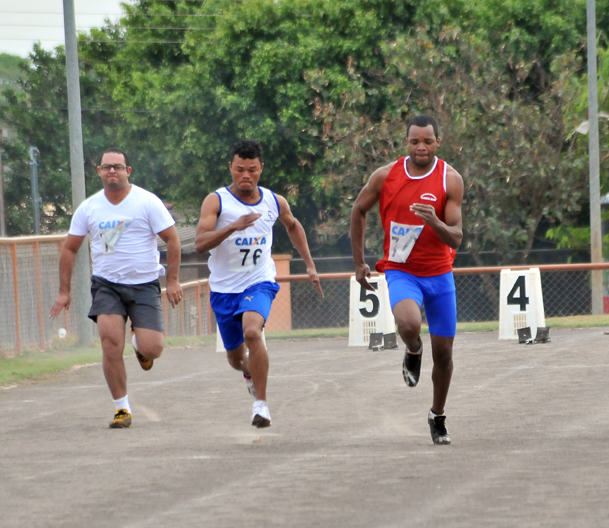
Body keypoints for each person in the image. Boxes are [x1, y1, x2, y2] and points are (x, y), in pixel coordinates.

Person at [350, 115, 464, 445]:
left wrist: (434, 222)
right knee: (410, 324)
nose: (421, 147)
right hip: (402, 271)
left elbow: (456, 237)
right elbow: (358, 210)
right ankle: (413, 350)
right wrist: (359, 262)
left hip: (439, 273)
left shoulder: (450, 180)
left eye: (427, 141)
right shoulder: (386, 176)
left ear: (437, 143)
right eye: (415, 141)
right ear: (407, 143)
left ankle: (437, 416)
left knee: (443, 355)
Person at [50, 148, 183, 429]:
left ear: (128, 171)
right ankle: (121, 408)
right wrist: (64, 291)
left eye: (118, 167)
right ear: (98, 171)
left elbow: (172, 239)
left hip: (144, 284)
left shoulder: (146, 202)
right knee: (110, 345)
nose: (112, 171)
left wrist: (171, 281)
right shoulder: (89, 207)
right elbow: (70, 249)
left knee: (154, 348)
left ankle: (140, 344)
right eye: (107, 167)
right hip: (107, 285)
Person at [195, 140, 323, 428]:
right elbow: (200, 243)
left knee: (253, 332)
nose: (246, 176)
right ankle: (249, 374)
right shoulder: (216, 201)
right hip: (225, 290)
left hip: (259, 282)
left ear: (261, 169)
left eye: (252, 170)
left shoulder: (274, 201)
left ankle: (261, 405)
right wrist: (231, 227)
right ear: (231, 167)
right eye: (239, 169)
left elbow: (293, 225)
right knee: (236, 359)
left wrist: (310, 264)